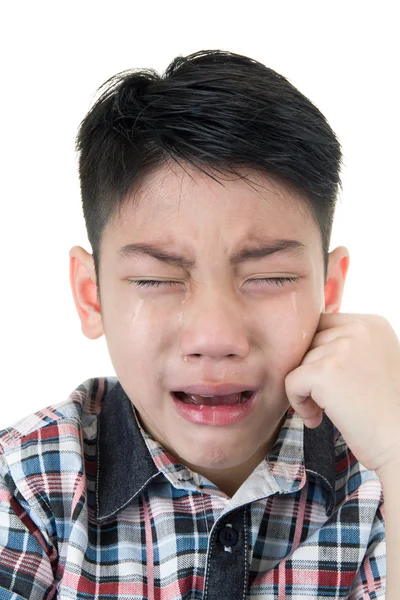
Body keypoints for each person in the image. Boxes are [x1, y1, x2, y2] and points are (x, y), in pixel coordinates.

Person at [1, 49, 398, 600]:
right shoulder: (27, 485)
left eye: (270, 277)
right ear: (90, 295)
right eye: (155, 280)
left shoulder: (382, 476)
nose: (215, 338)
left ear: (328, 290)